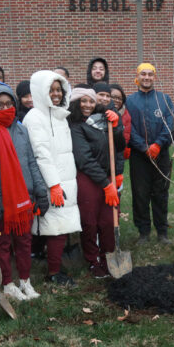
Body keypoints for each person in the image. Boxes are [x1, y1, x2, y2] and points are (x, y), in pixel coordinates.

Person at [0, 82, 48, 301]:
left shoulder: (21, 129)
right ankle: (7, 283)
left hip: (24, 196)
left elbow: (31, 162)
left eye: (8, 103)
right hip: (2, 197)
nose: (5, 108)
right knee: (3, 244)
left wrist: (40, 191)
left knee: (24, 242)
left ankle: (25, 280)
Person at [25, 70, 82, 285]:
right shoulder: (35, 117)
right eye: (51, 90)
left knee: (60, 225)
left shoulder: (59, 115)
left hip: (66, 179)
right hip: (52, 182)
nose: (56, 94)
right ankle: (53, 272)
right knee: (55, 227)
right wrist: (54, 185)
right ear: (41, 91)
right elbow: (41, 154)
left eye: (59, 89)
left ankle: (52, 266)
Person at [69, 87, 124, 277]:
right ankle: (93, 260)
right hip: (88, 179)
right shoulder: (75, 126)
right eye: (83, 101)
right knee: (90, 222)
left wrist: (116, 127)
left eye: (91, 101)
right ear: (76, 103)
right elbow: (84, 158)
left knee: (109, 221)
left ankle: (108, 256)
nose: (88, 105)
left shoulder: (102, 120)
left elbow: (119, 146)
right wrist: (105, 183)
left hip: (107, 177)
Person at [126, 62, 174, 244]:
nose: (146, 77)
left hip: (160, 154)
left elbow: (169, 123)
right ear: (137, 77)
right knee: (140, 193)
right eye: (143, 74)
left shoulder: (164, 99)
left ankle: (162, 232)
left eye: (150, 74)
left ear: (155, 77)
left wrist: (159, 144)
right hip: (140, 156)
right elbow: (128, 127)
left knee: (160, 193)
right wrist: (144, 147)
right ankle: (143, 232)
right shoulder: (130, 101)